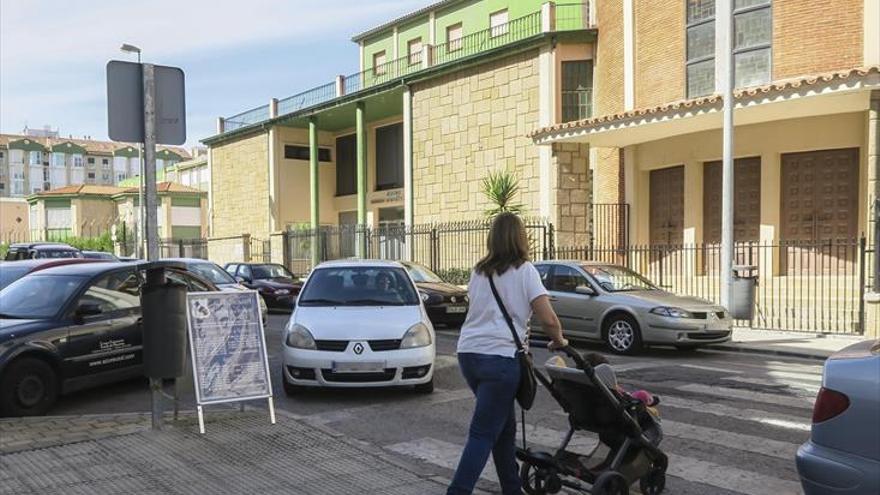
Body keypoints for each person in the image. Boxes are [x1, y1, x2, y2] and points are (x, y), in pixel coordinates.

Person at [448, 212, 567, 495]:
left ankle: (512, 489)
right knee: (482, 433)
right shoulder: (525, 271)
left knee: (504, 430)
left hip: (469, 354)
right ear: (520, 237)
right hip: (500, 360)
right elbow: (548, 319)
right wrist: (559, 340)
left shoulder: (479, 271)